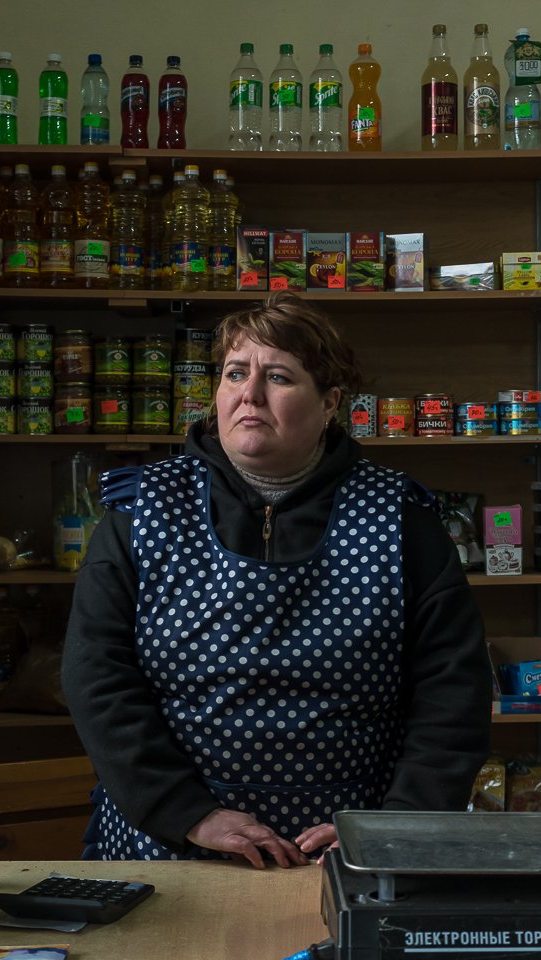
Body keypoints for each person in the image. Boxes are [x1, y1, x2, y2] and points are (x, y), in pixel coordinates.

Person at [61, 292, 492, 868]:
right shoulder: (143, 508)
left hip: (349, 847)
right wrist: (186, 813)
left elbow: (452, 693)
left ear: (330, 402)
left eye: (279, 377)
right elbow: (96, 675)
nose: (250, 394)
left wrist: (391, 826)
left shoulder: (401, 518)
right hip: (171, 841)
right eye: (235, 373)